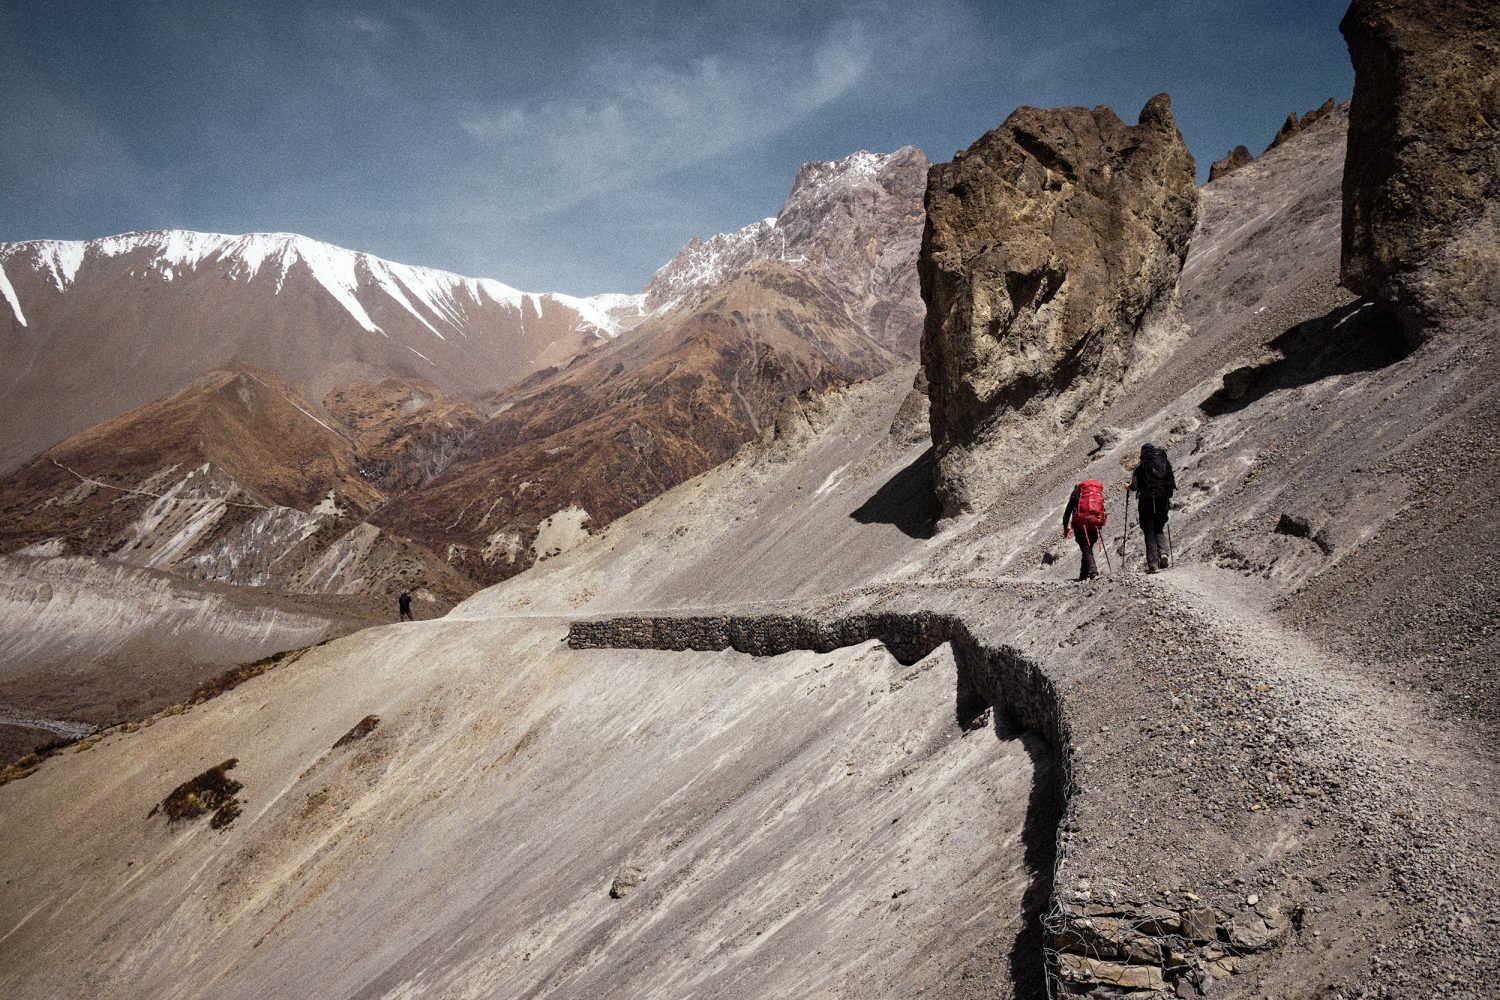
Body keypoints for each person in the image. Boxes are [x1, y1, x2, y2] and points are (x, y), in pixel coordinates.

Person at [1128, 443, 1176, 573]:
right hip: (1163, 498)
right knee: (1159, 527)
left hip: (1147, 500)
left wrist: (1129, 487)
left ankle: (1153, 564)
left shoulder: (1141, 466)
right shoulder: (1164, 461)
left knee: (1148, 530)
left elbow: (1134, 486)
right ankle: (1164, 553)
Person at [1061, 479, 1107, 581]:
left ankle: (1093, 573)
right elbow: (1102, 510)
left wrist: (1065, 527)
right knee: (1087, 548)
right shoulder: (1096, 494)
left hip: (1080, 525)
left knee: (1086, 548)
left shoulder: (1076, 495)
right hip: (1094, 525)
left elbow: (1067, 512)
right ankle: (1083, 575)